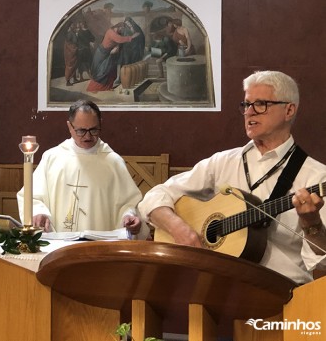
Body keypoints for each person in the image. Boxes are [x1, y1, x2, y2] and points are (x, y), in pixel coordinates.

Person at [138, 70, 326, 284]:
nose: (250, 112)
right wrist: (178, 228)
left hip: (283, 293)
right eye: (246, 105)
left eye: (261, 104)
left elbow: (322, 263)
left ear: (289, 110)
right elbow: (154, 196)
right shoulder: (223, 162)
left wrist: (312, 224)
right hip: (216, 290)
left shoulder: (316, 176)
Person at [17, 99, 149, 239]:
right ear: (69, 127)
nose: (88, 136)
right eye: (81, 131)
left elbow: (129, 203)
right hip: (59, 246)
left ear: (100, 125)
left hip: (100, 248)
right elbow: (31, 197)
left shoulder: (113, 162)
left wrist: (129, 217)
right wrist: (39, 213)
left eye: (93, 130)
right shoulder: (52, 158)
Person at [87, 22, 141, 93]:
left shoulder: (117, 32)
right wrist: (133, 36)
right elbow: (120, 39)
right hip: (102, 54)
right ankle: (94, 88)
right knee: (101, 72)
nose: (122, 30)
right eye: (122, 28)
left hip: (109, 53)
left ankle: (107, 87)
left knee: (110, 71)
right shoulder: (111, 32)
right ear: (119, 27)